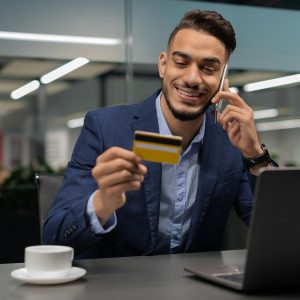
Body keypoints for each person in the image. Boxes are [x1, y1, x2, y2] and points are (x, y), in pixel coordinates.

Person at [43, 9, 276, 258]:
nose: (192, 78)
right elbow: (54, 237)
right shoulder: (105, 128)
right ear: (163, 65)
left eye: (208, 68)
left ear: (222, 79)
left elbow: (278, 227)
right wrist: (102, 203)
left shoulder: (229, 141)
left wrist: (255, 156)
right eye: (181, 62)